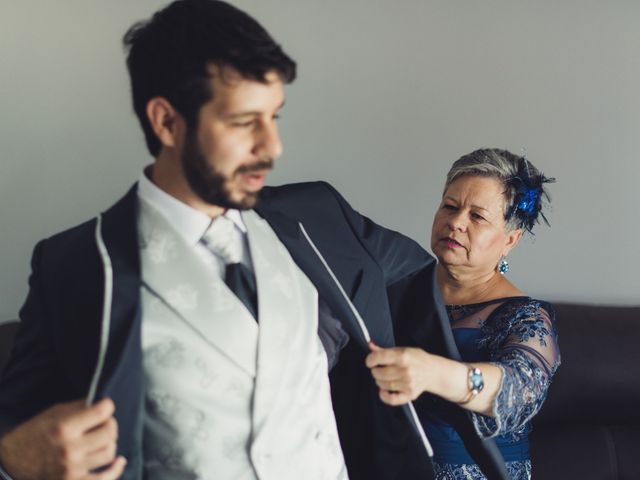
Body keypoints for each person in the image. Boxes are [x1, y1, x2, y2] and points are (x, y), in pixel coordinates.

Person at [0, 2, 509, 479]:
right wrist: (14, 455)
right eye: (245, 122)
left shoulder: (318, 217)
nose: (273, 146)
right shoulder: (76, 264)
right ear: (166, 121)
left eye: (275, 116)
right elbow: (16, 423)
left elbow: (423, 276)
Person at [366, 148, 560, 479]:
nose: (456, 222)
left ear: (510, 240)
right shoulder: (391, 291)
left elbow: (519, 390)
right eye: (450, 207)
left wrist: (435, 373)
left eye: (477, 217)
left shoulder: (527, 318)